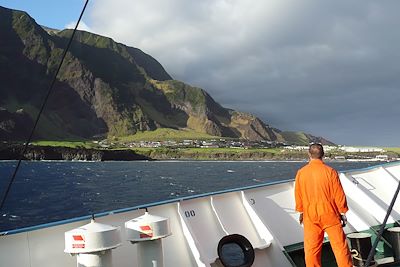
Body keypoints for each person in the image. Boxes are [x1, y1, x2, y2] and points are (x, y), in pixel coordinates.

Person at [294, 143, 352, 267]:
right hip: (330, 214)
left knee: (311, 249)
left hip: (310, 216)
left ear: (309, 154)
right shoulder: (330, 172)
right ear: (323, 155)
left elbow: (298, 195)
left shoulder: (301, 173)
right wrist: (342, 212)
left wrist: (301, 211)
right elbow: (339, 194)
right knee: (340, 247)